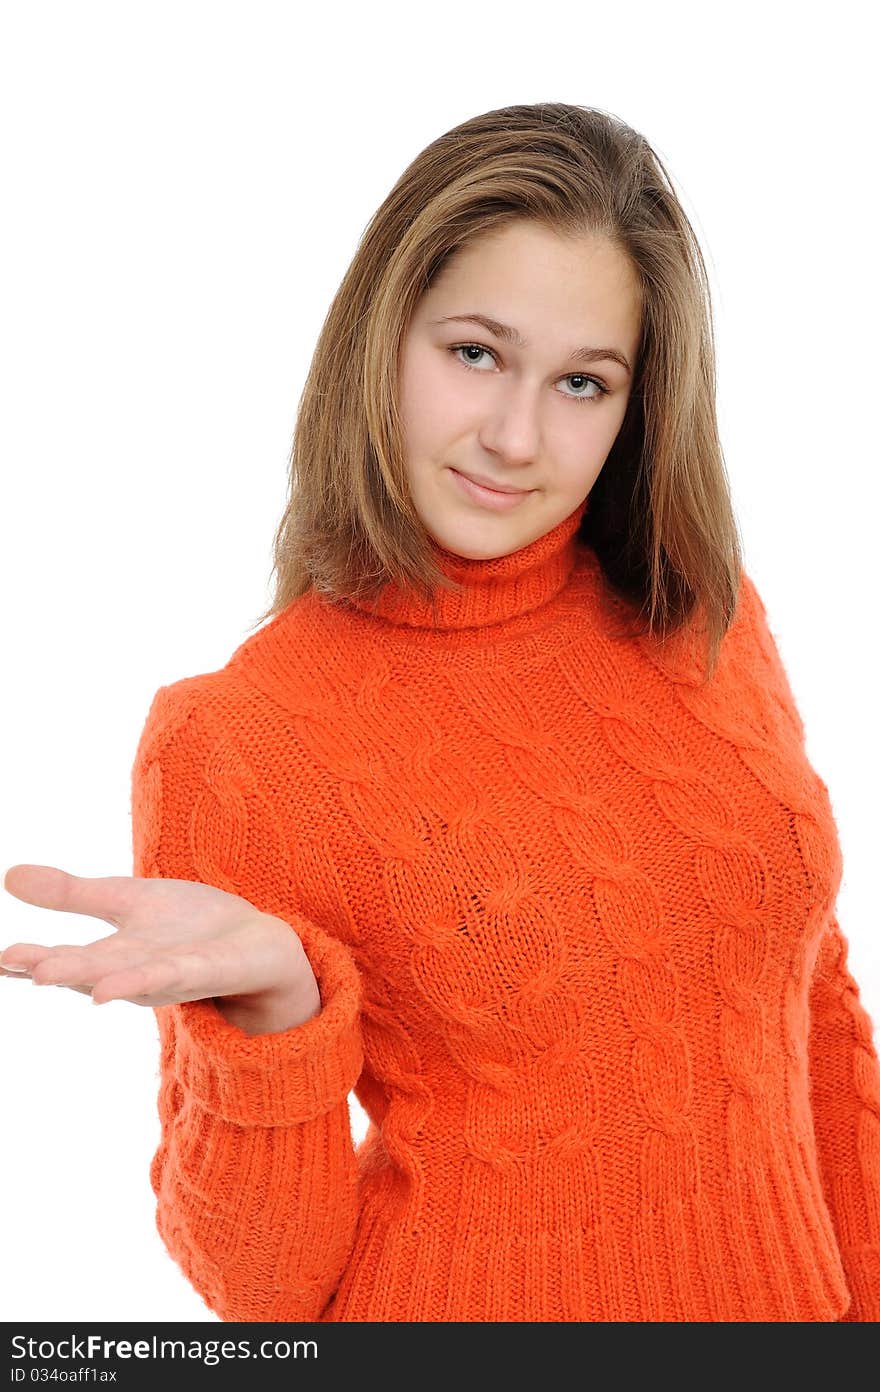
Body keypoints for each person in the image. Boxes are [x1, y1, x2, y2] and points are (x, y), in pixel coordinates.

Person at [3, 101, 879, 1323]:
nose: (516, 438)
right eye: (474, 352)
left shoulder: (701, 612)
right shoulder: (241, 738)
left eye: (582, 381)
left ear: (638, 405)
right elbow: (262, 1292)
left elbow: (808, 1003)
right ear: (382, 339)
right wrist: (275, 1027)